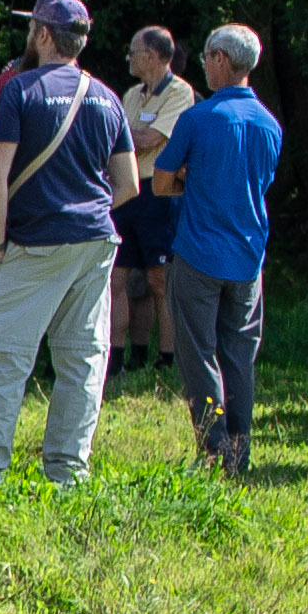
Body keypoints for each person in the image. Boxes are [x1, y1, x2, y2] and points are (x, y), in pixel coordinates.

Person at [0, 0, 128, 489]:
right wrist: (84, 212)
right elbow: (129, 184)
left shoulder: (21, 90)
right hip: (95, 244)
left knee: (0, 360)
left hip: (33, 244)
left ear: (44, 35)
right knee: (82, 361)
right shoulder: (108, 96)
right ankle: (68, 475)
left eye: (33, 27)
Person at [154, 21, 283, 475]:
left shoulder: (198, 117)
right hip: (248, 256)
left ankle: (214, 450)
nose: (204, 65)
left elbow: (161, 181)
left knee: (198, 354)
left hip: (198, 252)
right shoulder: (270, 124)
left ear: (221, 60)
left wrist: (186, 180)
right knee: (239, 357)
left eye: (207, 57)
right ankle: (240, 451)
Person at [106, 25, 194, 372]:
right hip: (126, 191)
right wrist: (129, 138)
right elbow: (129, 140)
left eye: (134, 51)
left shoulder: (180, 92)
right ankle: (117, 357)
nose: (129, 57)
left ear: (154, 56)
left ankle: (166, 358)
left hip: (159, 194)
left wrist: (125, 137)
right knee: (117, 278)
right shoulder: (130, 95)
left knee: (159, 280)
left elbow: (148, 139)